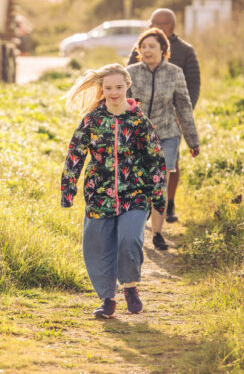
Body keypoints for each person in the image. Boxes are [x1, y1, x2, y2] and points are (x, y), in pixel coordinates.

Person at [60, 63, 166, 319]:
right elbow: (75, 153)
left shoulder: (138, 120)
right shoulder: (93, 120)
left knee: (130, 239)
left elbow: (155, 157)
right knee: (97, 246)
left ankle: (130, 288)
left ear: (127, 86)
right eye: (108, 87)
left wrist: (158, 195)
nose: (114, 92)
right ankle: (107, 299)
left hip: (135, 193)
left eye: (119, 87)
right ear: (102, 89)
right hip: (99, 194)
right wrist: (68, 189)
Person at [127, 28, 200, 251]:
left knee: (159, 184)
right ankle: (137, 231)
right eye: (143, 46)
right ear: (139, 51)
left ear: (163, 49)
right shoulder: (130, 72)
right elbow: (119, 103)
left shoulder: (175, 73)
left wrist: (192, 140)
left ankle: (157, 233)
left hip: (167, 135)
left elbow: (184, 108)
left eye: (152, 46)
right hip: (137, 137)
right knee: (138, 184)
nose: (147, 50)